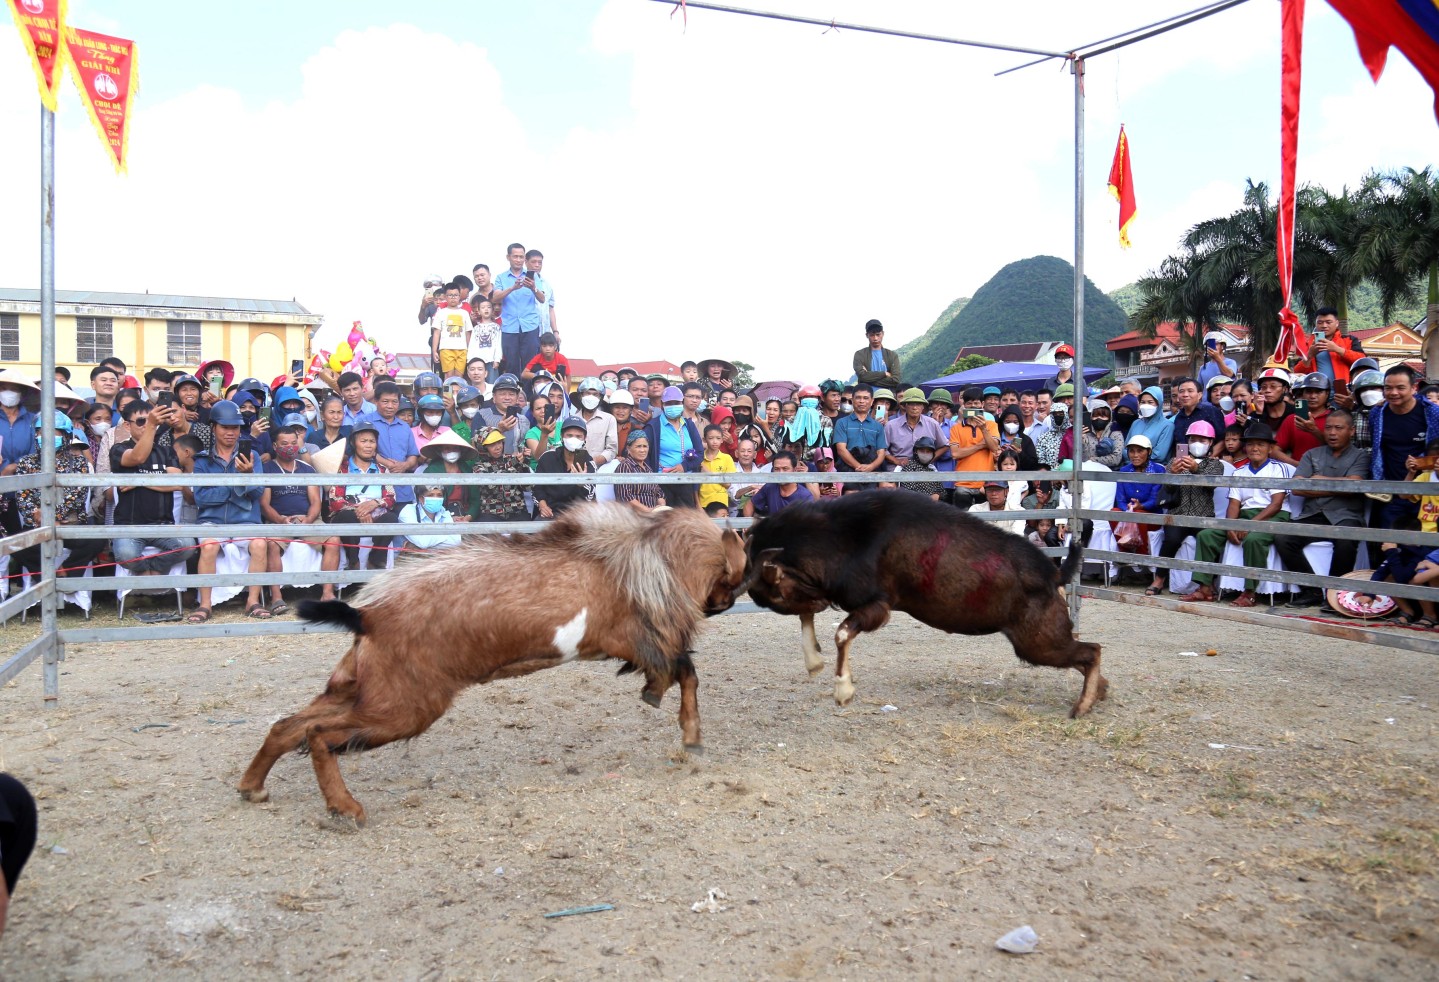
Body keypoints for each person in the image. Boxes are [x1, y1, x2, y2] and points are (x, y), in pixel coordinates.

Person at [1180, 421, 1291, 607]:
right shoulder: (1240, 471)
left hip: (1272, 515)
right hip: (1244, 515)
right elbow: (1234, 503)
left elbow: (1276, 504)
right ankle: (1205, 588)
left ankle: (1250, 592)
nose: (1255, 448)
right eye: (1250, 444)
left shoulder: (1277, 469)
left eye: (1261, 444)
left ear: (1270, 448)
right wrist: (1231, 524)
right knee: (1206, 535)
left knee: (1254, 539)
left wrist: (1249, 525)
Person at [1271, 409, 1368, 607]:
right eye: (1329, 428)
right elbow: (1297, 488)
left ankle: (1335, 595)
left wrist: (1318, 481)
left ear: (1351, 431)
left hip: (1345, 515)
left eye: (1338, 428)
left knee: (1345, 542)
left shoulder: (1360, 456)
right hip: (1313, 514)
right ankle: (1311, 590)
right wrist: (1338, 486)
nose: (1332, 433)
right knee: (1283, 538)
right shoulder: (1312, 454)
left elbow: (1354, 487)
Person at [187, 400, 270, 622]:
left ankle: (253, 601)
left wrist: (248, 476)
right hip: (212, 521)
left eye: (235, 427)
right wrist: (237, 485)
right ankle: (205, 604)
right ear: (214, 427)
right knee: (209, 545)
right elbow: (201, 498)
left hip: (245, 522)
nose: (231, 432)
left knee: (260, 543)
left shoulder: (251, 456)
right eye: (225, 427)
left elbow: (258, 493)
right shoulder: (202, 460)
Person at [9, 412, 105, 584]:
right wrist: (43, 518)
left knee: (97, 539)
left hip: (71, 525)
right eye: (40, 432)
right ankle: (45, 579)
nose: (45, 437)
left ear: (66, 436)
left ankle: (66, 574)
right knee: (15, 544)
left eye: (54, 432)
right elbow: (23, 498)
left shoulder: (79, 463)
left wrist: (53, 517)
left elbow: (77, 495)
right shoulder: (26, 463)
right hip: (38, 527)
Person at [110, 400, 197, 579]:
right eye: (141, 421)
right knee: (125, 555)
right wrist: (151, 424)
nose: (148, 424)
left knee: (188, 546)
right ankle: (147, 571)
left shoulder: (166, 451)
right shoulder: (118, 449)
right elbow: (138, 457)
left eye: (150, 420)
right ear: (127, 425)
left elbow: (178, 483)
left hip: (163, 525)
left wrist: (140, 481)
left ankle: (152, 569)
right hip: (129, 526)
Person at [261, 417, 340, 612]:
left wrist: (309, 519)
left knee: (334, 539)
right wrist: (280, 519)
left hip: (307, 519)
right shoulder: (267, 469)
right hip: (278, 521)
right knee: (271, 544)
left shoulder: (307, 469)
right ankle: (276, 598)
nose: (290, 447)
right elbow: (264, 504)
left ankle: (327, 593)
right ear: (274, 445)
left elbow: (315, 502)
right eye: (284, 444)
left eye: (294, 443)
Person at [1149, 421, 1227, 596]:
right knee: (1171, 540)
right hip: (1179, 513)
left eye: (1202, 439)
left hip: (1203, 515)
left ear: (1211, 442)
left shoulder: (1215, 465)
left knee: (1209, 539)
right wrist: (1172, 475)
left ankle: (1209, 584)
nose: (1197, 443)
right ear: (1187, 442)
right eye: (1193, 439)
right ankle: (1159, 579)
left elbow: (1210, 485)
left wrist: (1196, 469)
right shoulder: (1174, 461)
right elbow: (1167, 490)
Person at [1369, 365, 1439, 528]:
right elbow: (1377, 448)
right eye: (1388, 388)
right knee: (1389, 543)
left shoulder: (1432, 412)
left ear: (1414, 388)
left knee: (1424, 545)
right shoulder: (1377, 413)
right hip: (1390, 491)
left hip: (1426, 492)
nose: (1393, 393)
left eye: (1400, 388)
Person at [326, 419, 399, 571]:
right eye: (363, 441)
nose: (368, 445)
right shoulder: (342, 469)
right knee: (347, 518)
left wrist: (373, 504)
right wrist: (358, 510)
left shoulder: (381, 469)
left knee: (391, 519)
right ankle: (354, 561)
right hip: (350, 514)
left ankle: (376, 560)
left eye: (372, 441)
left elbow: (391, 497)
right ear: (353, 443)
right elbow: (334, 500)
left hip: (376, 514)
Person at [362, 381, 421, 509]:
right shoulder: (365, 422)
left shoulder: (405, 427)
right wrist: (387, 464)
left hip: (402, 490)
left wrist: (404, 465)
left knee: (403, 527)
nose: (390, 406)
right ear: (376, 401)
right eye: (385, 401)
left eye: (394, 402)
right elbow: (362, 450)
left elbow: (413, 455)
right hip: (375, 490)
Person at [643, 385, 703, 508]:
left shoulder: (689, 425)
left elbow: (699, 453)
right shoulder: (653, 427)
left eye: (676, 403)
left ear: (682, 403)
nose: (673, 406)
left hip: (686, 482)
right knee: (665, 521)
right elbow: (646, 457)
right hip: (662, 482)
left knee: (686, 522)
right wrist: (652, 482)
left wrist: (684, 466)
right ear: (662, 405)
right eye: (669, 403)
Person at [533, 417, 596, 518]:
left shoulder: (588, 462)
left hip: (577, 515)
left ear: (584, 439)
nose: (573, 439)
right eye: (569, 435)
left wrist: (581, 484)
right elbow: (537, 488)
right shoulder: (547, 458)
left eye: (578, 436)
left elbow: (590, 497)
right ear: (562, 436)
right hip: (550, 512)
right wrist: (543, 506)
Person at [1291, 307, 1365, 389]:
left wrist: (1337, 349)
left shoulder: (1349, 340)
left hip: (1343, 390)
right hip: (1316, 392)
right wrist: (1309, 356)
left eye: (1328, 322)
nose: (1324, 326)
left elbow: (1362, 361)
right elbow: (1297, 372)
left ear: (1337, 323)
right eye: (1320, 322)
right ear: (1316, 324)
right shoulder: (1308, 344)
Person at [469, 427, 530, 522]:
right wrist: (513, 464)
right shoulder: (478, 467)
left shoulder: (512, 459)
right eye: (492, 444)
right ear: (483, 448)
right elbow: (491, 486)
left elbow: (528, 487)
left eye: (499, 442)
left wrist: (525, 463)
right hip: (491, 513)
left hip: (517, 511)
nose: (498, 447)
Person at [832, 383, 887, 486]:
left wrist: (871, 467)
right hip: (847, 471)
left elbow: (881, 452)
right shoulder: (842, 422)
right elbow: (841, 449)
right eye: (858, 398)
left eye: (866, 398)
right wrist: (859, 467)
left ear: (872, 402)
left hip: (872, 472)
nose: (862, 401)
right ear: (852, 400)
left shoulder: (878, 426)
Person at [1274, 371, 1331, 467]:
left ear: (1327, 393)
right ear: (1303, 393)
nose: (1313, 396)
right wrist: (1298, 465)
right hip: (1298, 475)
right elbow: (1275, 450)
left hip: (1330, 474)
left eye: (1318, 392)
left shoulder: (1335, 418)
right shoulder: (1292, 419)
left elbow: (1341, 449)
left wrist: (1314, 431)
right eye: (1308, 391)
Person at [885, 388, 945, 466]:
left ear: (923, 406)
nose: (915, 408)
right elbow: (882, 449)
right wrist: (896, 461)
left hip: (925, 467)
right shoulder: (891, 426)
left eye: (918, 404)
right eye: (911, 404)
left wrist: (929, 459)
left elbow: (944, 446)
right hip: (898, 468)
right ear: (905, 406)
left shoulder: (932, 424)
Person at [743, 451, 813, 516]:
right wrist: (747, 524)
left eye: (785, 469)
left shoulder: (805, 496)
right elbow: (750, 504)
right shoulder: (769, 487)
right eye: (776, 469)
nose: (780, 473)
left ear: (794, 470)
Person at [398, 484, 462, 552]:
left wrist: (418, 545)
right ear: (421, 499)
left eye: (439, 495)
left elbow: (455, 541)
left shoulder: (444, 512)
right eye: (430, 495)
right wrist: (445, 534)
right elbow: (422, 542)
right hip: (410, 560)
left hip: (436, 559)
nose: (436, 498)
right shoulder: (408, 512)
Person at [428, 281, 472, 378]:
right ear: (446, 297)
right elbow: (436, 333)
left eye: (455, 295)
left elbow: (467, 333)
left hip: (462, 349)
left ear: (459, 296)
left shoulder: (464, 313)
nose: (453, 298)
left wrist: (469, 350)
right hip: (446, 349)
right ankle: (448, 394)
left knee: (459, 376)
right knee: (448, 376)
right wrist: (434, 350)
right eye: (450, 295)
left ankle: (457, 393)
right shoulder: (441, 313)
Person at [613, 430, 664, 513]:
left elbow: (659, 492)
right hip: (633, 516)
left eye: (645, 446)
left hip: (652, 514)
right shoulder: (625, 467)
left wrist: (661, 508)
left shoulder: (648, 469)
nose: (642, 450)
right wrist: (647, 510)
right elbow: (625, 497)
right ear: (628, 448)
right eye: (638, 446)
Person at [573, 377, 618, 467]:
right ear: (581, 395)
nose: (591, 397)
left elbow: (612, 449)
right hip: (574, 468)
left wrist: (592, 462)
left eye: (595, 394)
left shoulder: (609, 419)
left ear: (600, 397)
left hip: (600, 470)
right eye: (587, 393)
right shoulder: (572, 420)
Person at [1127, 385, 1174, 463]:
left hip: (1154, 471)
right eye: (1143, 402)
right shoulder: (1136, 423)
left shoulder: (1167, 425)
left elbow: (1159, 455)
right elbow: (1125, 449)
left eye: (1150, 402)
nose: (1146, 405)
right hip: (1131, 469)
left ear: (1159, 404)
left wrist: (1137, 459)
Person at [853, 319, 902, 390]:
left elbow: (895, 380)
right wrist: (884, 374)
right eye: (872, 335)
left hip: (887, 397)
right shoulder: (860, 354)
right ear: (867, 335)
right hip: (867, 397)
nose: (875, 338)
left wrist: (867, 380)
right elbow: (862, 376)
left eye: (878, 334)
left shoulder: (892, 355)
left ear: (883, 334)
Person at [699, 423, 737, 512]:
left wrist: (709, 474)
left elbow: (728, 484)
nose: (715, 441)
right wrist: (698, 505)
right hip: (703, 503)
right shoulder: (700, 459)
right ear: (704, 440)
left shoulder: (727, 458)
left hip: (721, 502)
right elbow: (695, 487)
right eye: (711, 438)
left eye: (718, 438)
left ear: (722, 440)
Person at [896, 436, 943, 500]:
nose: (925, 454)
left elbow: (942, 491)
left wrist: (938, 495)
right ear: (916, 451)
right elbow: (908, 492)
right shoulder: (908, 467)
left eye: (928, 451)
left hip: (932, 507)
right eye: (922, 451)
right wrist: (929, 499)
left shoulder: (932, 469)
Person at [996, 406, 1039, 471]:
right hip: (997, 478)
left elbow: (1033, 465)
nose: (1011, 424)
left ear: (1020, 422)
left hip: (1019, 478)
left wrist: (1020, 453)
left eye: (1015, 422)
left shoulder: (1026, 440)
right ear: (1002, 422)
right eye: (1008, 421)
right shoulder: (996, 438)